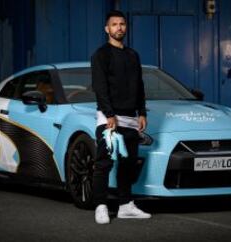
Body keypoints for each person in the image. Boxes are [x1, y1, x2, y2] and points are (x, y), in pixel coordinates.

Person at [91, 10, 151, 224]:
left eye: (122, 24)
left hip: (131, 118)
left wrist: (142, 112)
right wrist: (109, 114)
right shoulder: (101, 55)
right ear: (107, 29)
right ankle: (100, 205)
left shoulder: (133, 55)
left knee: (128, 164)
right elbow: (100, 86)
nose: (119, 27)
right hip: (109, 118)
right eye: (114, 24)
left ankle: (125, 205)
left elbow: (140, 86)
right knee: (104, 164)